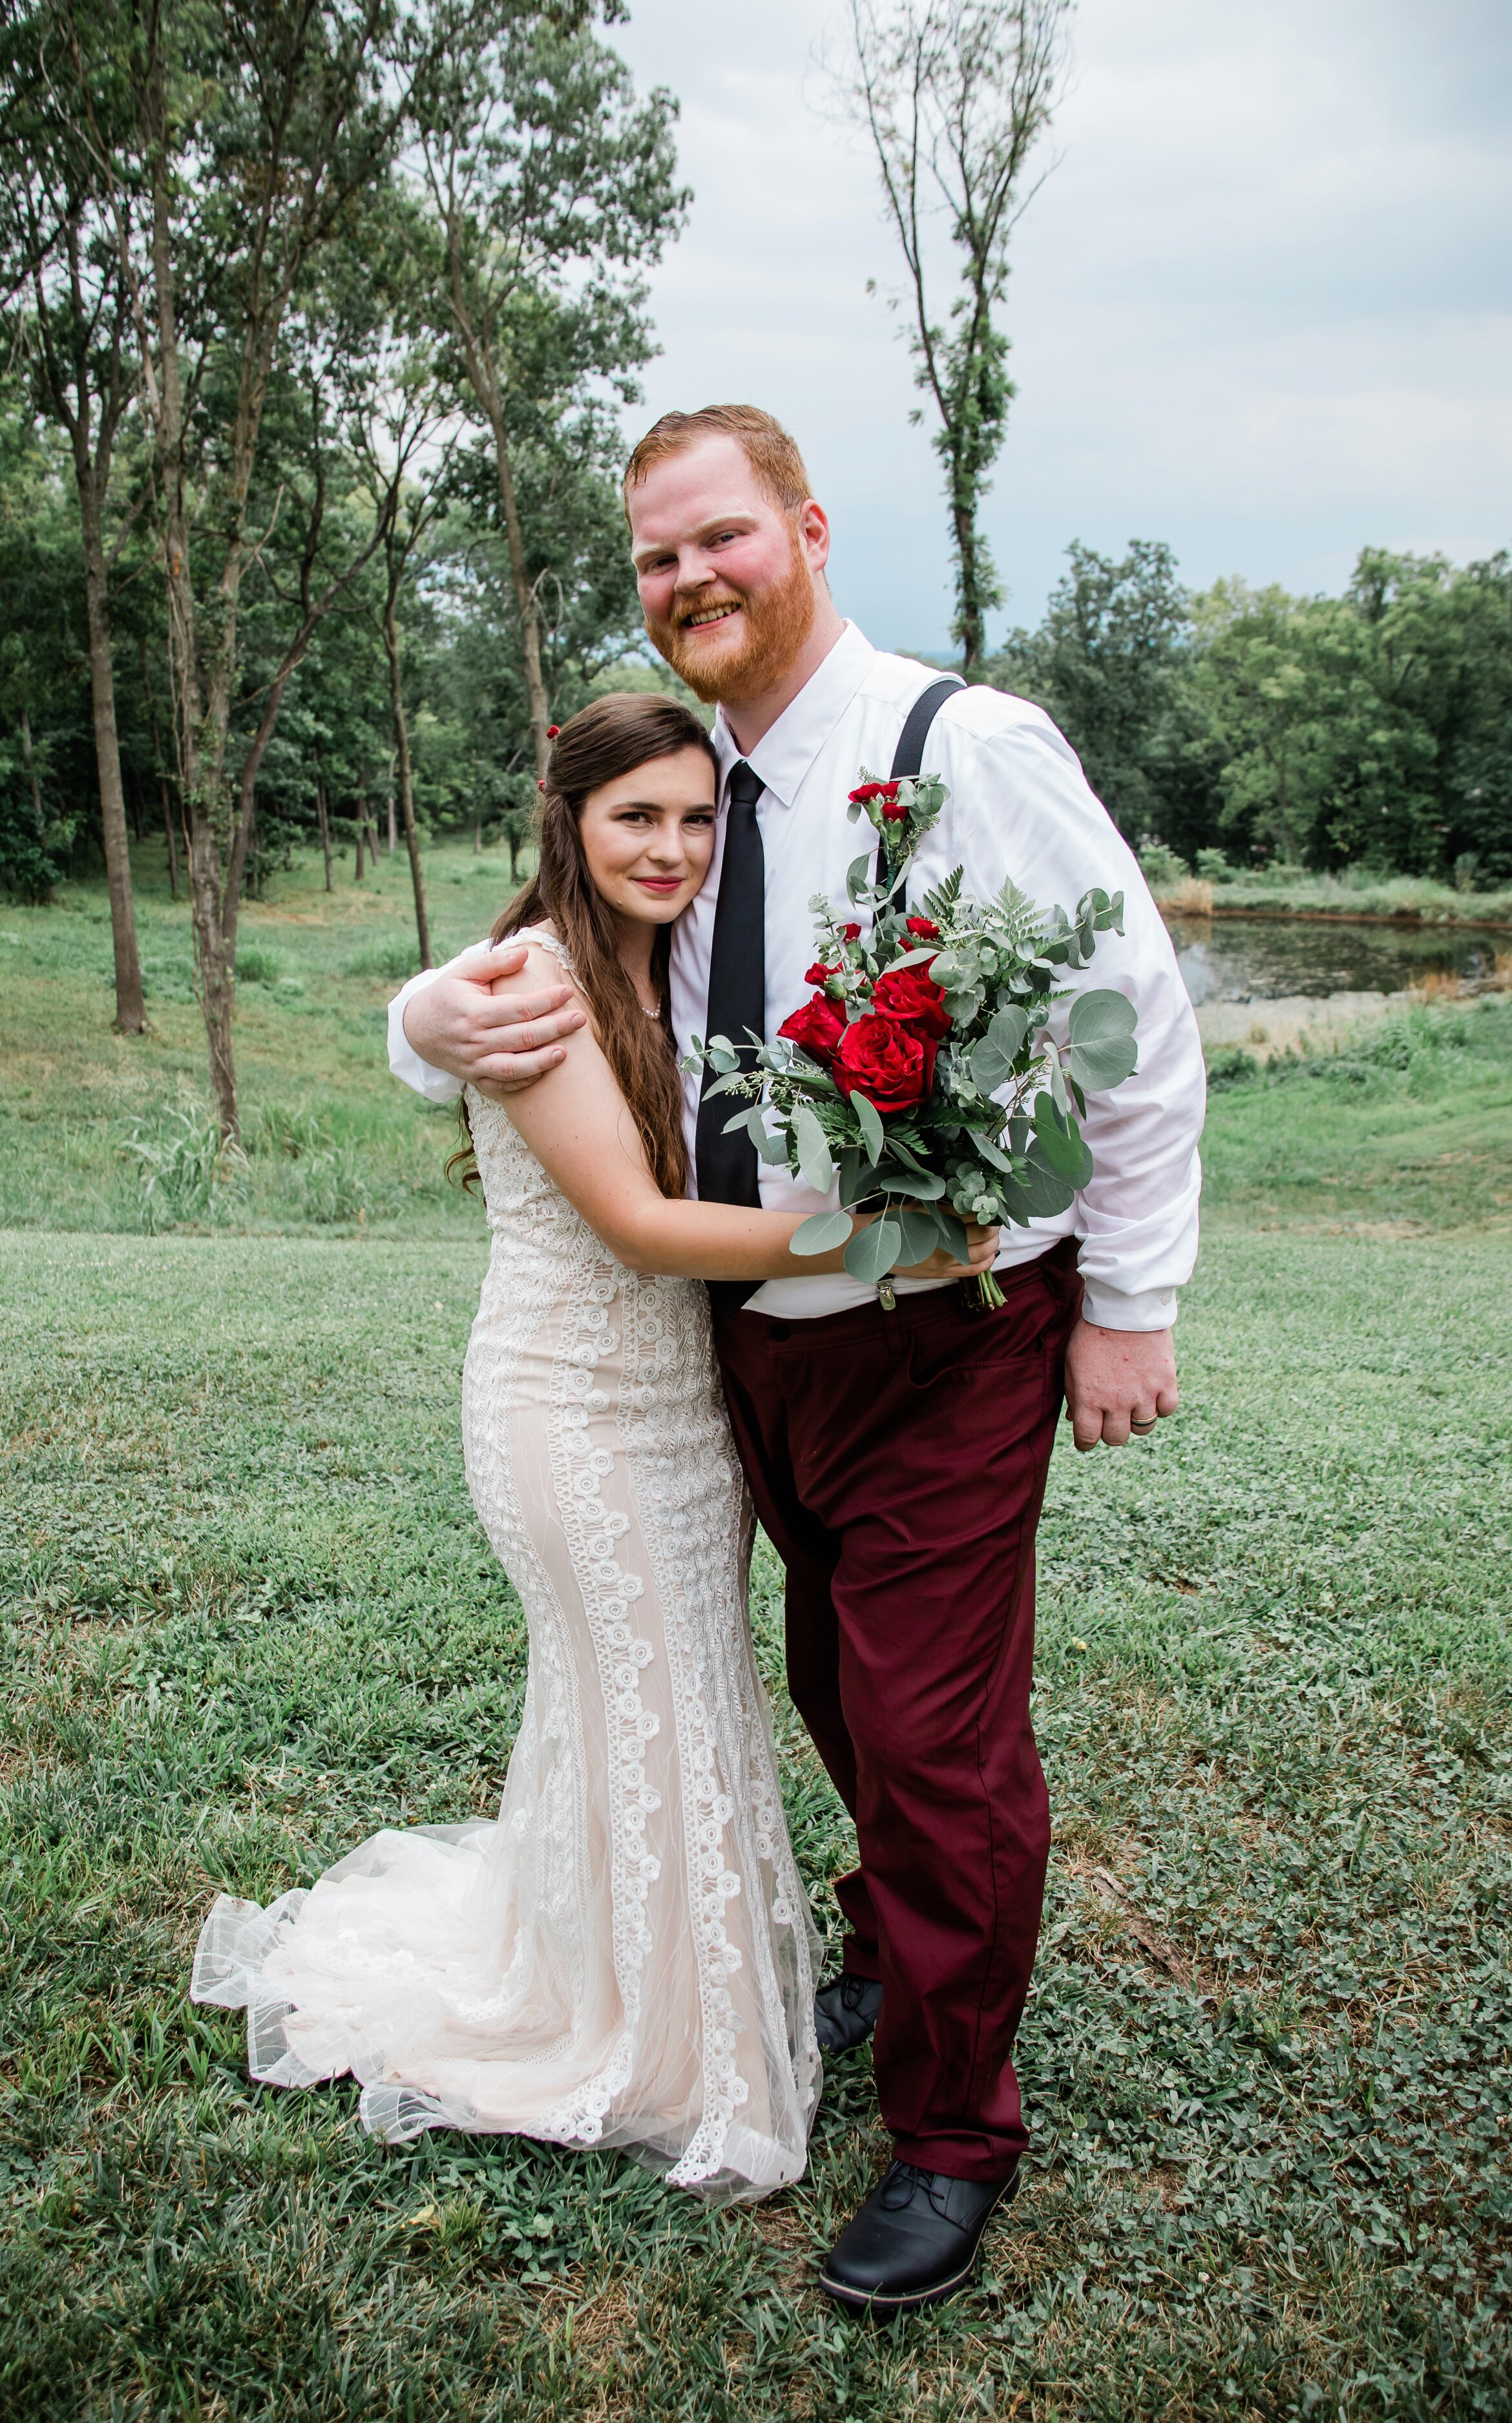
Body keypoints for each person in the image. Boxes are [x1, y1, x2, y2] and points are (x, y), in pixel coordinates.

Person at [388, 404, 1206, 2314]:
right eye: (656, 559)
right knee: (845, 1694)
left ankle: (949, 2126)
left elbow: (1135, 1028)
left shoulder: (958, 746)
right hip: (752, 1355)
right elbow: (533, 984)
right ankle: (884, 1944)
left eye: (718, 538)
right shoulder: (685, 783)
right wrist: (421, 1012)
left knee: (934, 1740)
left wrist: (1132, 1300)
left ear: (805, 528)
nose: (690, 580)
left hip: (948, 1339)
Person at [193, 689, 995, 2208]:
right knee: (652, 1705)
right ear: (567, 820)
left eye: (698, 819)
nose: (673, 848)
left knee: (666, 1713)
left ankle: (636, 1984)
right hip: (569, 1414)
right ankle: (654, 2049)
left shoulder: (673, 965)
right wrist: (890, 1241)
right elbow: (636, 1227)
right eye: (637, 817)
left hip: (683, 1418)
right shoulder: (536, 984)